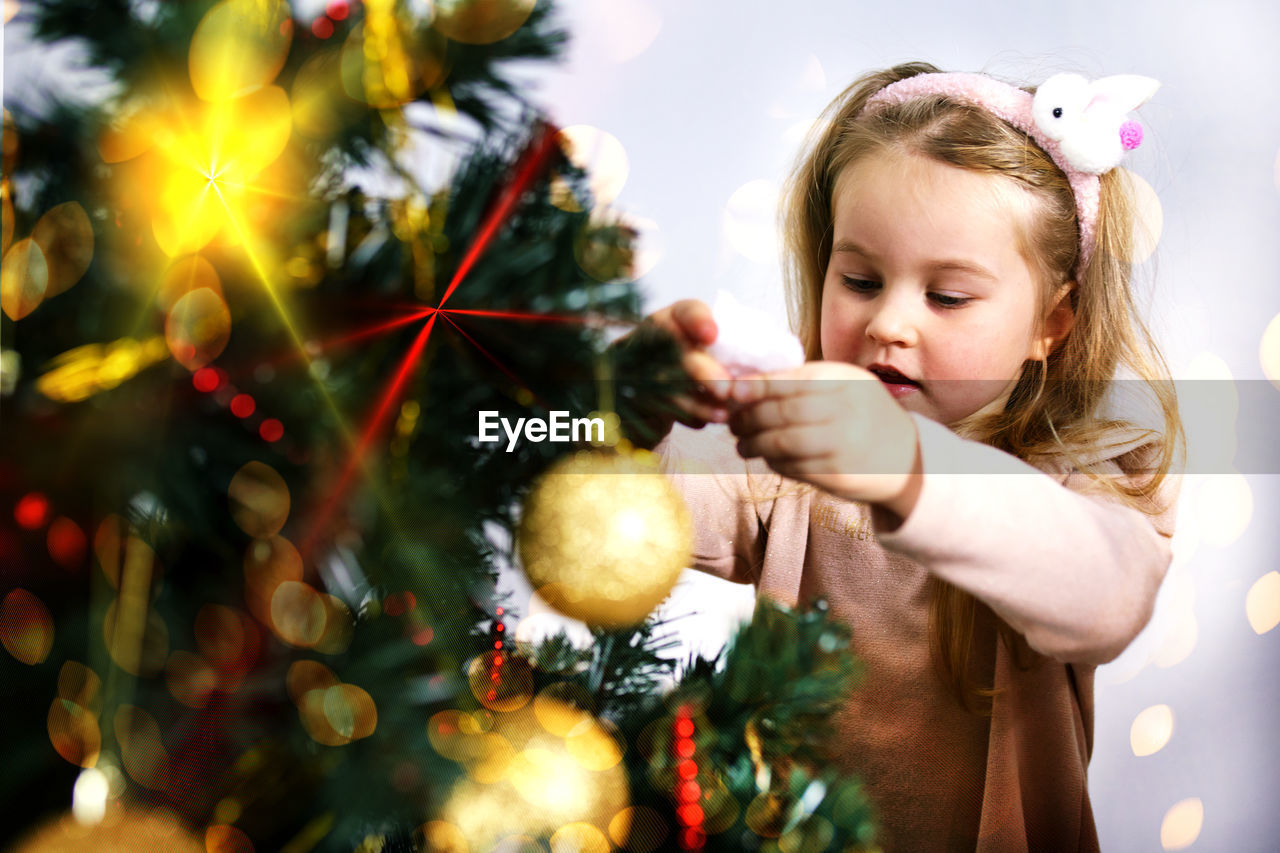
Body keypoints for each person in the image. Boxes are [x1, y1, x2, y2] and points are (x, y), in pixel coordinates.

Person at [625, 61, 1184, 851]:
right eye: (859, 278)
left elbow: (1106, 595)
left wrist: (906, 466)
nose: (889, 321)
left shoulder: (1086, 478)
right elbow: (642, 512)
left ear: (1050, 325)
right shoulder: (788, 465)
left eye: (946, 296)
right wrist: (622, 415)